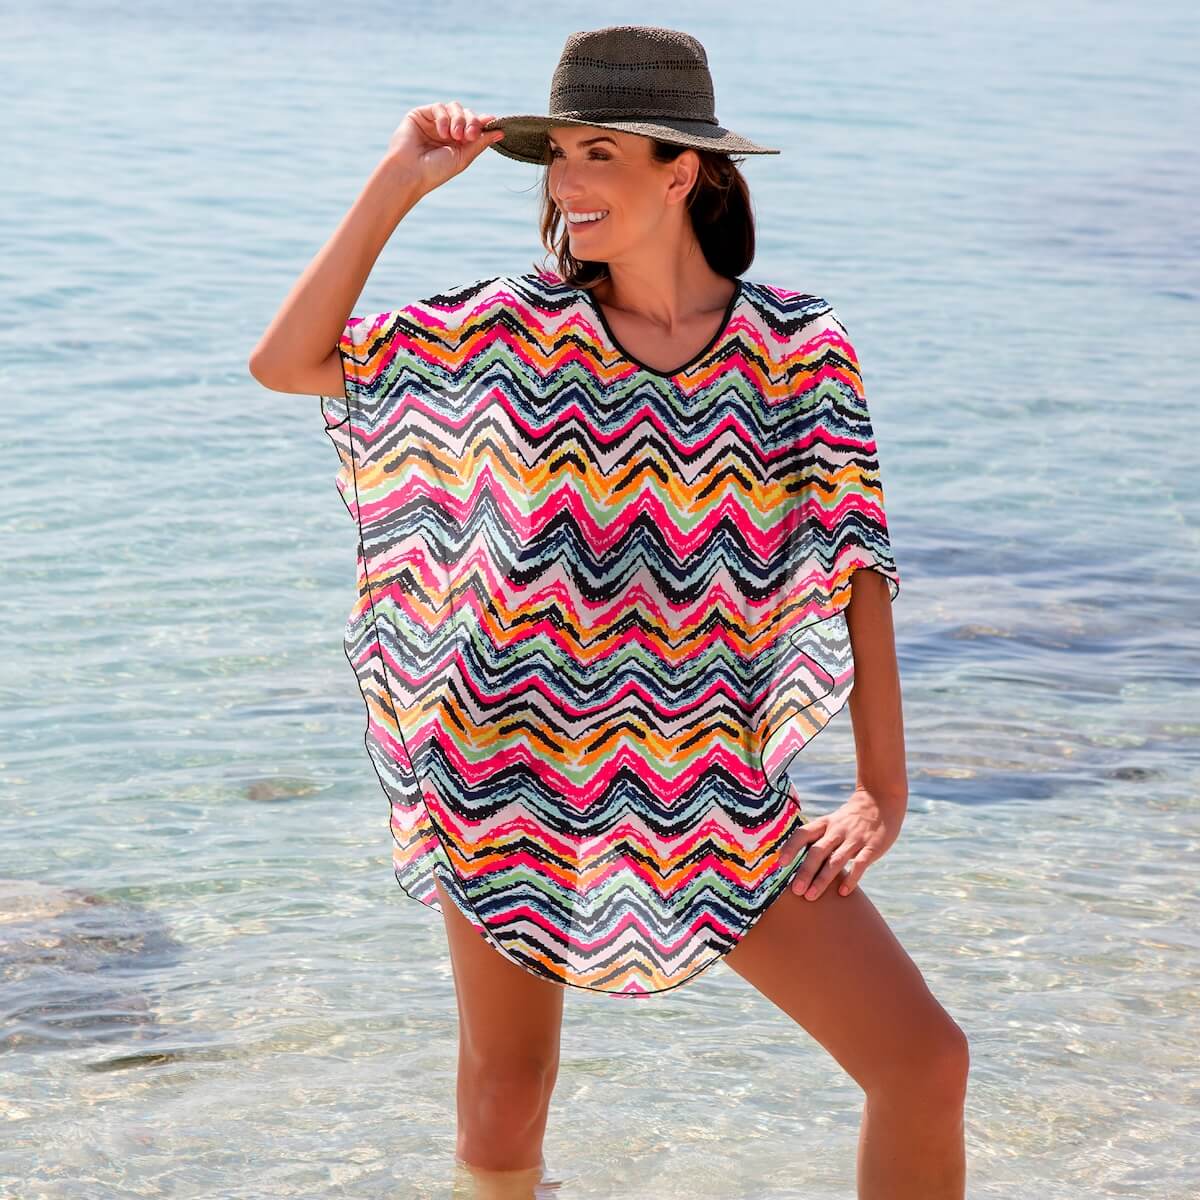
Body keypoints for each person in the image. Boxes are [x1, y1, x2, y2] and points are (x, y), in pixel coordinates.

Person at [249, 24, 968, 1198]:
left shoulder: (800, 350)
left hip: (707, 775)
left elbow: (858, 565)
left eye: (599, 154)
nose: (567, 184)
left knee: (924, 1062)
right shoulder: (511, 327)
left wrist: (882, 788)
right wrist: (397, 184)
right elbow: (288, 362)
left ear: (682, 171)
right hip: (501, 760)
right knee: (504, 1101)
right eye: (557, 156)